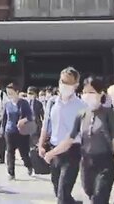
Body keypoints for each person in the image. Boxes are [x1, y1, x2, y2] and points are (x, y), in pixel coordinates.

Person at [45, 76, 114, 204]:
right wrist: (52, 152)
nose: (88, 96)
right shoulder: (81, 114)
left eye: (91, 92)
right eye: (85, 92)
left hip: (105, 163)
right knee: (91, 194)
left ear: (101, 93)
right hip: (87, 163)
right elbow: (69, 140)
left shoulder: (108, 114)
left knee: (100, 197)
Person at [38, 67, 86, 204]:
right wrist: (41, 145)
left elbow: (72, 137)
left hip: (72, 152)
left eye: (69, 83)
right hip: (54, 151)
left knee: (63, 194)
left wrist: (51, 153)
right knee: (58, 189)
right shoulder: (52, 102)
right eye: (63, 81)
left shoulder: (81, 106)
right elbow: (46, 126)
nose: (64, 85)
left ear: (76, 85)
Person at [2, 82, 34, 180]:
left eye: (11, 92)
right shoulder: (7, 104)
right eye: (8, 93)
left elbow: (30, 116)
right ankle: (11, 172)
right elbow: (4, 118)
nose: (9, 95)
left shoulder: (24, 103)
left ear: (17, 92)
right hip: (10, 130)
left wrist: (23, 120)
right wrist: (2, 130)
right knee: (10, 152)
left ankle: (29, 165)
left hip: (22, 132)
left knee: (24, 153)